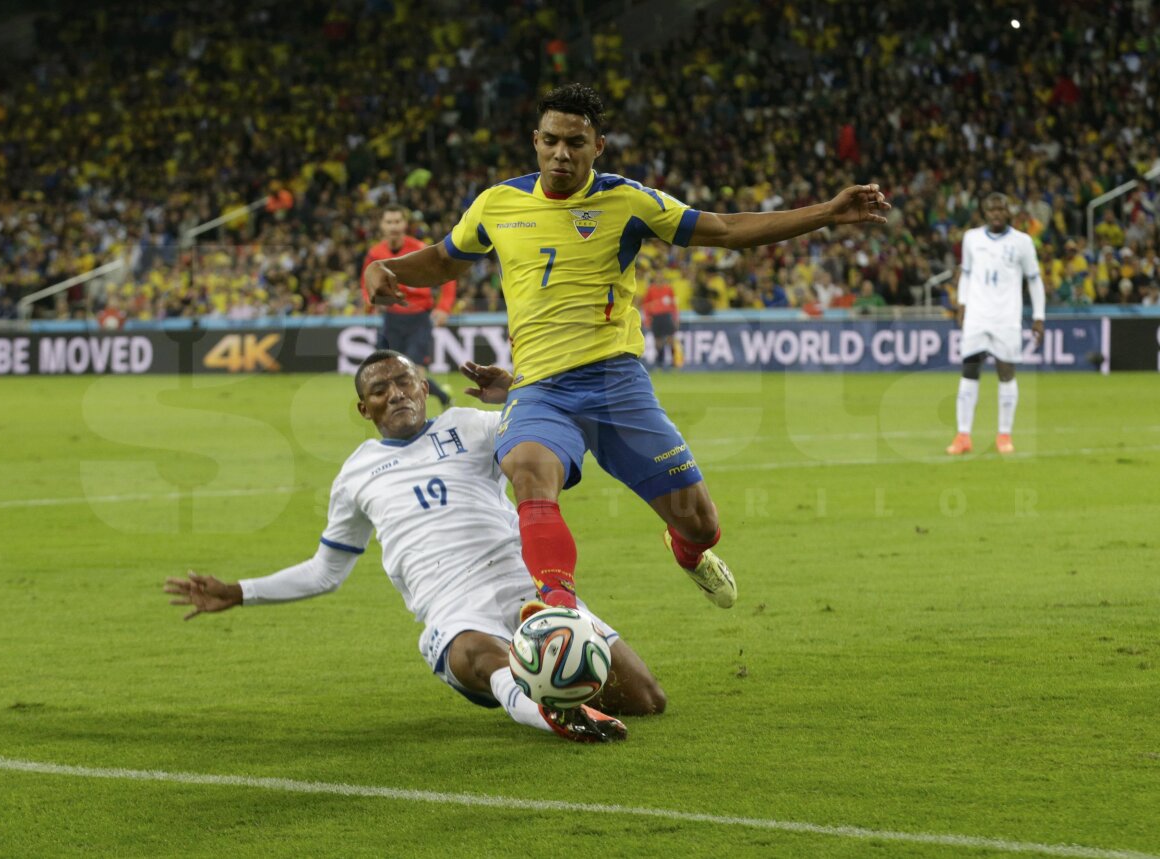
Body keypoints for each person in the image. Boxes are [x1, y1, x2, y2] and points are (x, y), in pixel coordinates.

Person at [364, 83, 889, 617]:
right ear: (535, 141)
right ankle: (557, 612)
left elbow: (726, 229)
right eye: (550, 141)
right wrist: (384, 267)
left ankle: (686, 551)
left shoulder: (628, 201)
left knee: (701, 524)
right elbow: (447, 260)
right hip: (539, 390)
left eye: (576, 142)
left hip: (616, 384)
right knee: (526, 468)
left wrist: (826, 212)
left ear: (599, 147)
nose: (561, 153)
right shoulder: (497, 204)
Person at [164, 350, 666, 743]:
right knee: (482, 654)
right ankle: (550, 714)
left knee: (646, 699)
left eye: (405, 382)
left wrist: (517, 394)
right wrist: (239, 591)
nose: (397, 393)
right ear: (365, 409)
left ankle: (548, 693)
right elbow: (326, 572)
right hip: (452, 611)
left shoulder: (471, 425)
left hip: (527, 588)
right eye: (380, 389)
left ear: (424, 389)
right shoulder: (355, 475)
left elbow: (565, 427)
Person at [947, 193, 1045, 456]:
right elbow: (966, 274)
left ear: (1008, 211)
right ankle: (963, 435)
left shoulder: (1022, 242)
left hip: (1007, 317)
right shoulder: (971, 238)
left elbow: (1034, 280)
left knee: (1006, 373)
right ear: (984, 212)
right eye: (991, 209)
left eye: (1001, 209)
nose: (996, 213)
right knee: (969, 372)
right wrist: (963, 304)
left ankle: (1004, 435)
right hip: (977, 316)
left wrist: (1039, 316)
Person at [361, 205, 456, 407]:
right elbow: (366, 282)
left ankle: (416, 422)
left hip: (419, 318)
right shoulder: (375, 253)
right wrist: (373, 301)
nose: (393, 226)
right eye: (389, 222)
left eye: (397, 221)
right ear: (382, 225)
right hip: (392, 319)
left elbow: (447, 276)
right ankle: (442, 396)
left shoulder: (420, 249)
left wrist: (443, 307)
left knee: (412, 369)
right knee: (387, 371)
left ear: (405, 224)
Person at [638, 268, 681, 370]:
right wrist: (647, 319)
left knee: (671, 339)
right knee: (658, 341)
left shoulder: (668, 289)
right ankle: (659, 363)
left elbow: (674, 305)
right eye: (657, 276)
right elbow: (646, 305)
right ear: (655, 278)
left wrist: (676, 318)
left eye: (661, 276)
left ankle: (674, 362)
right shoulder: (650, 290)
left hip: (667, 316)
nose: (659, 278)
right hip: (656, 317)